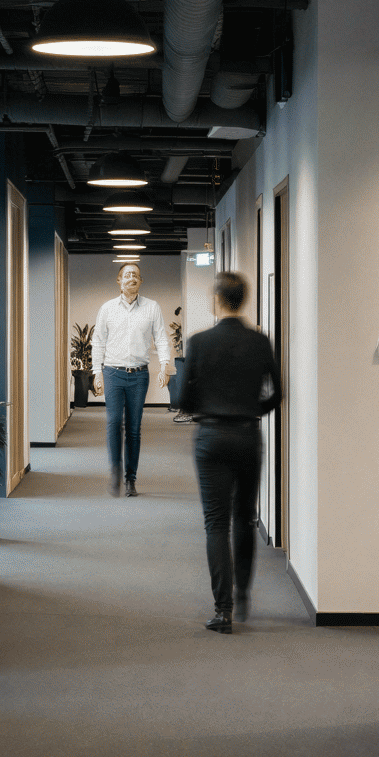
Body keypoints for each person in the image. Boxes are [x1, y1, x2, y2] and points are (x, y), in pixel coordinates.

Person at [172, 270, 279, 633]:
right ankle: (244, 592)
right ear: (243, 299)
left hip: (211, 437)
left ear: (216, 300)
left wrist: (208, 407)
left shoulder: (199, 342)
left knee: (216, 523)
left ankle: (224, 609)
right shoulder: (260, 342)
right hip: (248, 436)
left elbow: (183, 399)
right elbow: (278, 392)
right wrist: (251, 410)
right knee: (245, 517)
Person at [90, 261, 173, 497]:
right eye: (126, 275)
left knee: (134, 429)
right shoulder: (107, 308)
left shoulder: (152, 307)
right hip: (113, 373)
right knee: (114, 422)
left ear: (141, 281)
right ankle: (115, 469)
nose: (131, 278)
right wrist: (97, 371)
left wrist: (164, 366)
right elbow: (98, 341)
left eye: (135, 275)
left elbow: (161, 338)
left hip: (139, 375)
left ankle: (130, 479)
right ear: (119, 281)